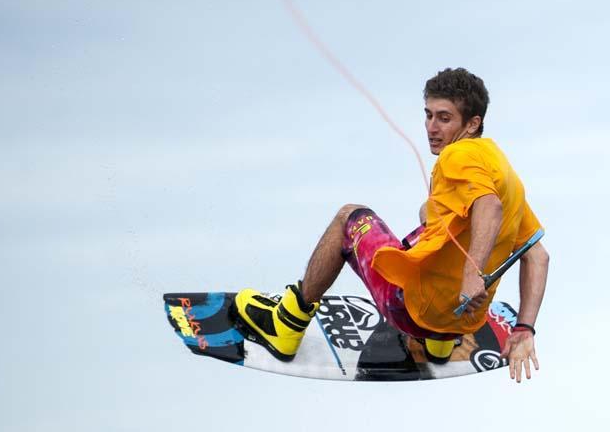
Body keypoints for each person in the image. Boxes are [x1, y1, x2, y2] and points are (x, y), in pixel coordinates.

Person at [232, 68, 549, 383]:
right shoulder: (503, 171)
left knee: (349, 216)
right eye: (428, 115)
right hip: (461, 321)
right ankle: (439, 344)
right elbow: (538, 256)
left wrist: (471, 275)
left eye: (444, 118)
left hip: (412, 309)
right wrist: (524, 328)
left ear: (472, 123)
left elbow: (488, 208)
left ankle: (286, 324)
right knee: (431, 213)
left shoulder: (457, 156)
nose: (431, 128)